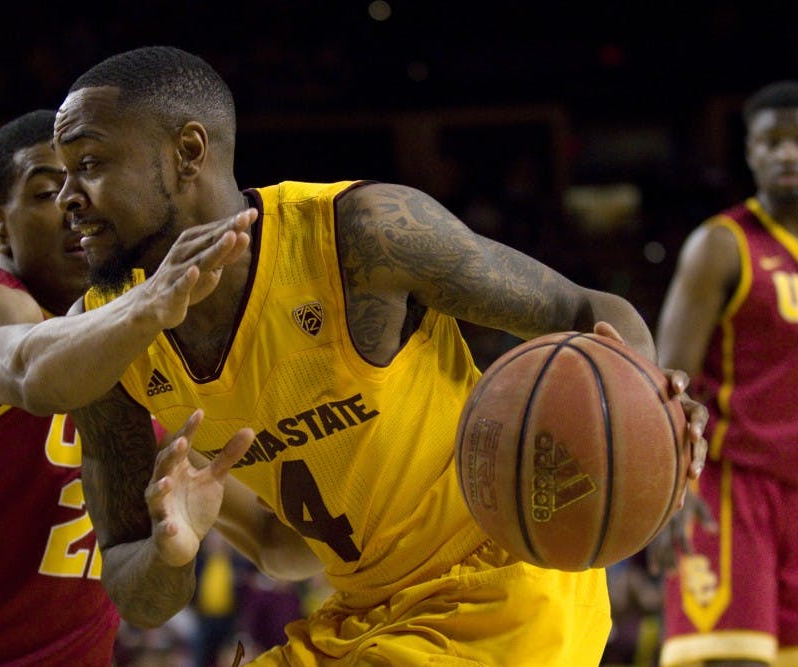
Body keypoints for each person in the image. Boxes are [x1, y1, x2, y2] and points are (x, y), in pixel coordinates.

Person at [52, 45, 709, 665]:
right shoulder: (103, 346)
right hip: (361, 614)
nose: (67, 197)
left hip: (504, 592)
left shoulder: (359, 236)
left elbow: (591, 312)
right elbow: (169, 584)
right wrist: (172, 548)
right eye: (59, 174)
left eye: (90, 163)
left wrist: (648, 409)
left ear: (187, 152)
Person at [0, 109, 256, 667]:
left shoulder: (134, 351)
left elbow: (271, 537)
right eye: (45, 191)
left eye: (85, 183)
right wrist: (151, 298)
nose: (72, 202)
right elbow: (32, 372)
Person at [648, 81, 798, 667]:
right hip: (733, 489)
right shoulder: (721, 245)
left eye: (797, 142)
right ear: (750, 152)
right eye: (772, 142)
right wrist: (664, 500)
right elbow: (667, 382)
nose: (786, 154)